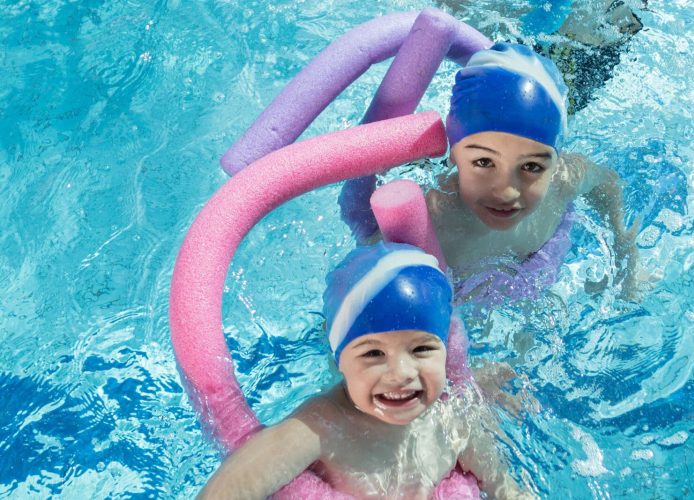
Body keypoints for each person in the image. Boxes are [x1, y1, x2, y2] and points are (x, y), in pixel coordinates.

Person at [199, 242, 535, 499]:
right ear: (338, 361)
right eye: (373, 353)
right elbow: (236, 483)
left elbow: (501, 483)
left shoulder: (455, 415)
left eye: (421, 349)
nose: (401, 372)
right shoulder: (322, 426)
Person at [341, 43, 638, 302]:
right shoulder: (428, 224)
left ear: (555, 160)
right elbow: (351, 312)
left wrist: (623, 245)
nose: (506, 191)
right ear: (454, 152)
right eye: (484, 163)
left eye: (532, 167)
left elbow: (606, 183)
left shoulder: (563, 181)